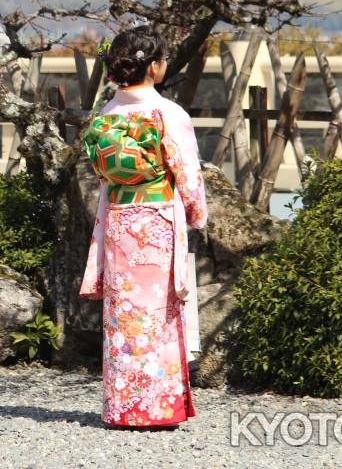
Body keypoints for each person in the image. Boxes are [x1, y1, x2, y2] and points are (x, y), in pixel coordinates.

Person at [78, 25, 208, 429]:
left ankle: (121, 407)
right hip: (155, 220)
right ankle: (154, 409)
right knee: (158, 313)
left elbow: (103, 173)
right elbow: (187, 175)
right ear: (153, 67)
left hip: (119, 218)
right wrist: (197, 215)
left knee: (124, 312)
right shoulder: (168, 113)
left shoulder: (107, 113)